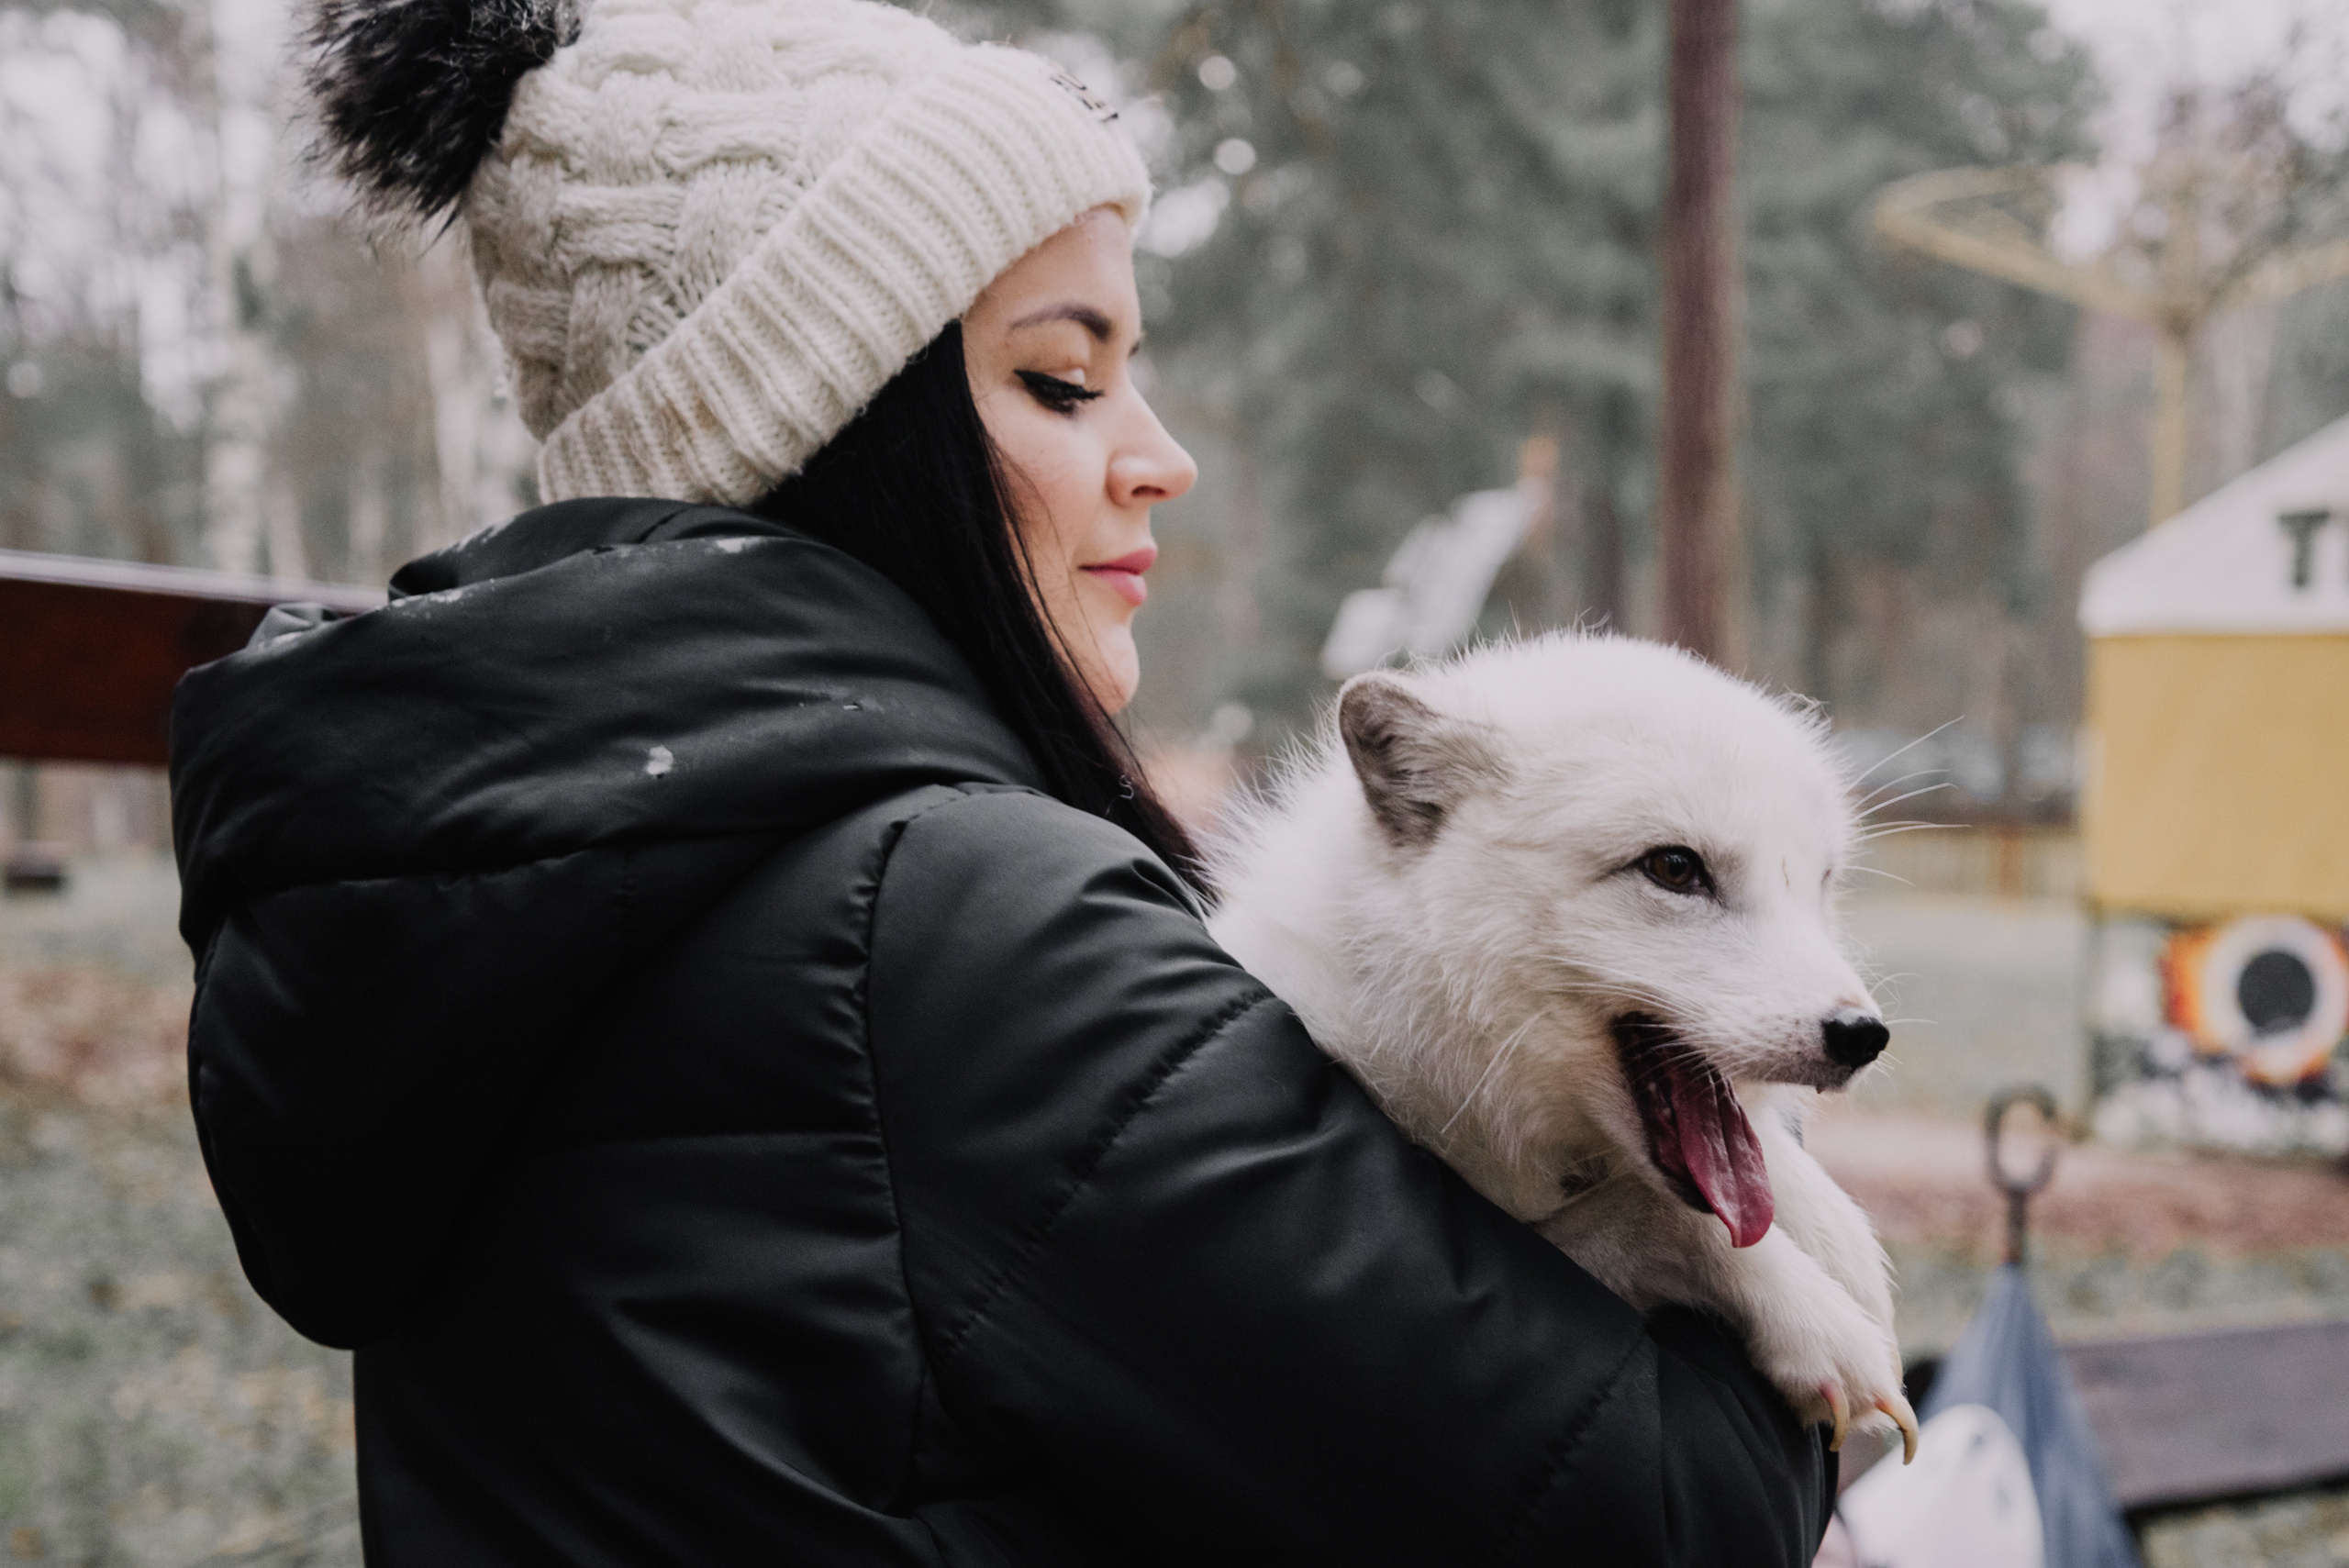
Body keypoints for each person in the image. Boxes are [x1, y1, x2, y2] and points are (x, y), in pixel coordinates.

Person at [167, 0, 1834, 1561]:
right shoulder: (961, 932)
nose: (1159, 452)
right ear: (838, 431)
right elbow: (1662, 1512)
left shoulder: (507, 877)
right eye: (1061, 377)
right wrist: (1786, 1287)